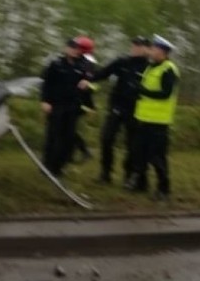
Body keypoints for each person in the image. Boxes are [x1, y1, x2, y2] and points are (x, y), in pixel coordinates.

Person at [84, 36, 150, 185]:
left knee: (131, 144)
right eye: (134, 45)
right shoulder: (122, 62)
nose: (135, 48)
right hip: (116, 107)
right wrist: (87, 77)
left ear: (147, 49)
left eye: (139, 45)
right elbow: (102, 74)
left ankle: (129, 176)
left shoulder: (148, 67)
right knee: (106, 138)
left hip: (136, 110)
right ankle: (105, 174)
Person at [130, 35, 179, 201]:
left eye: (154, 49)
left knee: (157, 157)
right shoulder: (150, 67)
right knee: (139, 153)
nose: (151, 51)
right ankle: (141, 184)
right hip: (143, 118)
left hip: (159, 121)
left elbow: (165, 94)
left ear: (162, 52)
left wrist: (141, 90)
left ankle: (163, 189)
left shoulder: (168, 69)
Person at [40, 37, 92, 177]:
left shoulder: (82, 66)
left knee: (68, 139)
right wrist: (45, 101)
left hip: (73, 107)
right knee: (53, 137)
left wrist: (87, 82)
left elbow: (91, 78)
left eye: (77, 49)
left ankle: (59, 167)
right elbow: (46, 84)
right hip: (56, 105)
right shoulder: (56, 64)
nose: (75, 51)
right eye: (72, 48)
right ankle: (47, 166)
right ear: (66, 48)